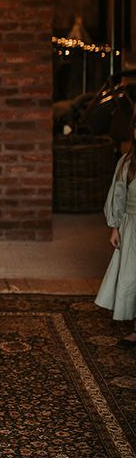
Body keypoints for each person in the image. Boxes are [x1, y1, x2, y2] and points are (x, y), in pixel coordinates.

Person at [95, 113, 136, 347]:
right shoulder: (127, 161)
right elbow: (118, 195)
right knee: (131, 276)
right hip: (132, 225)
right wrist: (115, 227)